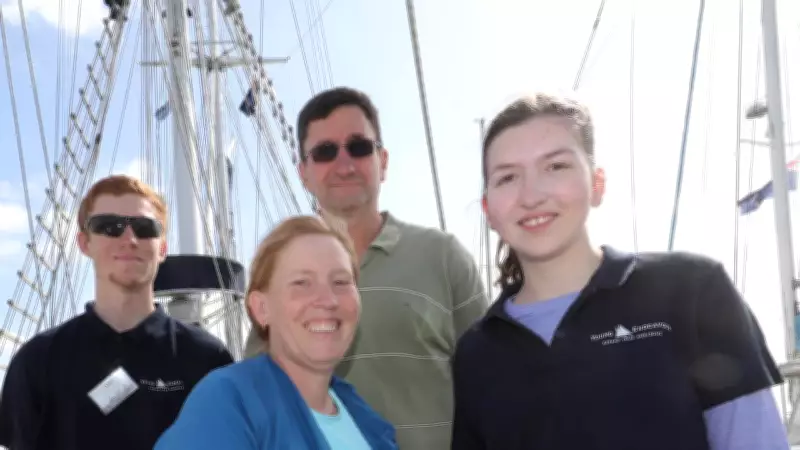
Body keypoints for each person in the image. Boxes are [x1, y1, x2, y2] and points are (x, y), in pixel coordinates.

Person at [451, 92, 790, 449]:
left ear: (597, 185)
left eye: (556, 166)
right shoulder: (476, 353)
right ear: (488, 210)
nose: (531, 196)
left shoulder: (692, 289)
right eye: (507, 177)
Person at [243, 86, 489, 449]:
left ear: (383, 161)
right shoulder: (275, 273)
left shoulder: (443, 257)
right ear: (304, 173)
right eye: (325, 152)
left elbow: (491, 387)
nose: (344, 165)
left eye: (358, 147)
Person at [0, 175, 234, 450]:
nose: (129, 238)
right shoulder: (38, 360)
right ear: (84, 243)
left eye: (145, 228)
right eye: (109, 226)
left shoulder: (208, 359)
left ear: (162, 248)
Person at [154, 215, 397, 449]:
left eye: (341, 282)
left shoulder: (364, 417)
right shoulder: (228, 403)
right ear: (262, 308)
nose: (328, 300)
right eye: (302, 283)